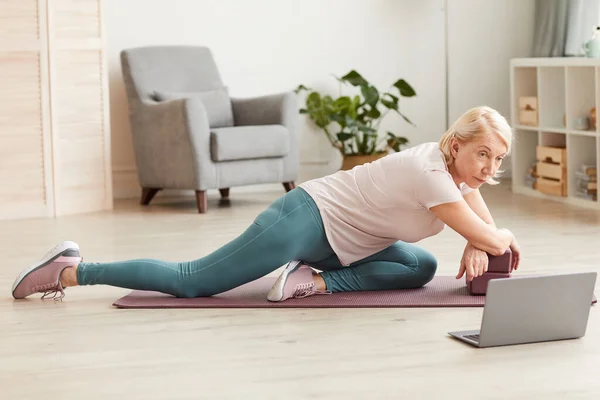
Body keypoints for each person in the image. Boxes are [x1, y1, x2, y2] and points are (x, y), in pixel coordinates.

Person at [11, 105, 521, 302]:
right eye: (483, 154)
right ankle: (72, 270)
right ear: (456, 144)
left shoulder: (457, 175)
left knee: (420, 264)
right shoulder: (429, 170)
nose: (488, 169)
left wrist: (481, 240)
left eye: (497, 161)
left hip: (339, 249)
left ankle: (311, 280)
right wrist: (488, 241)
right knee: (194, 282)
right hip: (305, 220)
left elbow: (480, 217)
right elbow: (492, 234)